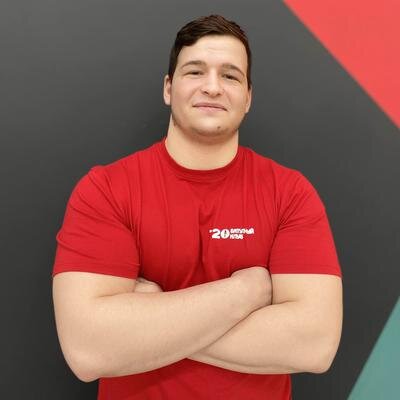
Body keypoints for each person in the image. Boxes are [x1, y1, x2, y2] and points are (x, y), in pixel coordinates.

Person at [52, 14, 343, 400]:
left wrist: (152, 318)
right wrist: (245, 292)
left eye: (230, 76)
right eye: (195, 71)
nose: (212, 87)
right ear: (168, 88)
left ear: (248, 98)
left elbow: (314, 345)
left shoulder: (289, 194)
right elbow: (89, 349)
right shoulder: (106, 190)